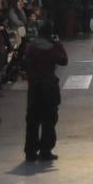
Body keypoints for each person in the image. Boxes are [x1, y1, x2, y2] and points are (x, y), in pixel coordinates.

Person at [22, 21, 66, 162]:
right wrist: (58, 43)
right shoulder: (51, 48)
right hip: (48, 87)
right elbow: (63, 60)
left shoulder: (30, 47)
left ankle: (30, 151)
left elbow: (25, 63)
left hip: (34, 87)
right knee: (49, 120)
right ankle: (45, 151)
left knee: (32, 120)